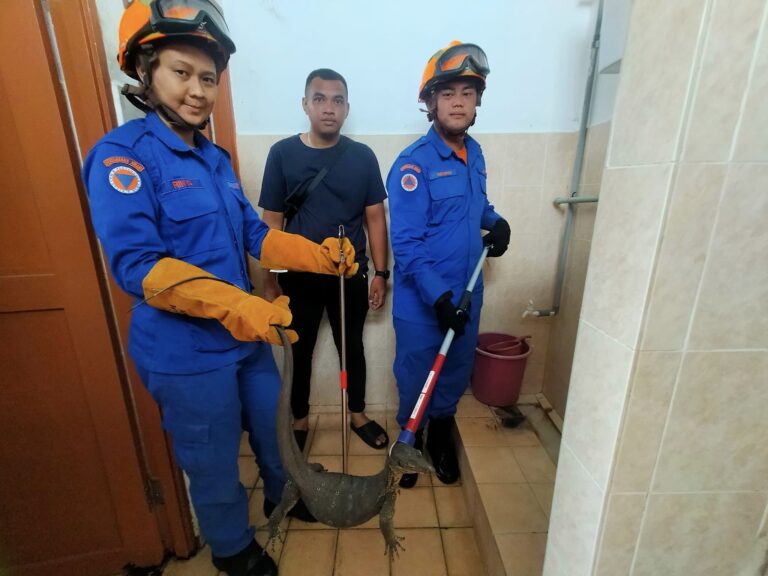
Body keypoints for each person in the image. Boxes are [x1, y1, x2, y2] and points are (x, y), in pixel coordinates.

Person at [82, 2, 357, 575]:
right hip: (185, 352)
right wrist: (240, 305)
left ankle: (287, 496)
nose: (198, 91)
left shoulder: (214, 159)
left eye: (208, 78)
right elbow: (138, 265)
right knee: (211, 459)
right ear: (145, 71)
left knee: (275, 434)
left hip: (244, 339)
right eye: (181, 72)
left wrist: (320, 257)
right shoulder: (121, 157)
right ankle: (232, 549)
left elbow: (255, 234)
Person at [386, 41, 511, 488]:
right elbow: (406, 244)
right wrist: (438, 298)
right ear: (430, 102)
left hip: (468, 293)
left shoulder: (474, 154)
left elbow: (477, 207)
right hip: (424, 304)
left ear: (477, 102)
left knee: (454, 372)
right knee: (415, 376)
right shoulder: (413, 165)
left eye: (468, 93)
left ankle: (440, 435)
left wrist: (495, 222)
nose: (458, 102)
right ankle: (411, 441)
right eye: (448, 93)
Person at [258, 69, 390, 451]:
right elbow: (272, 223)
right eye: (319, 99)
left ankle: (357, 414)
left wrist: (381, 273)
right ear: (305, 105)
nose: (328, 108)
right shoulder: (282, 154)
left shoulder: (362, 157)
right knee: (299, 351)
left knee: (352, 349)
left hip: (349, 275)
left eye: (337, 100)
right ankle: (299, 419)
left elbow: (375, 218)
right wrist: (270, 279)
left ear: (347, 108)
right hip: (299, 276)